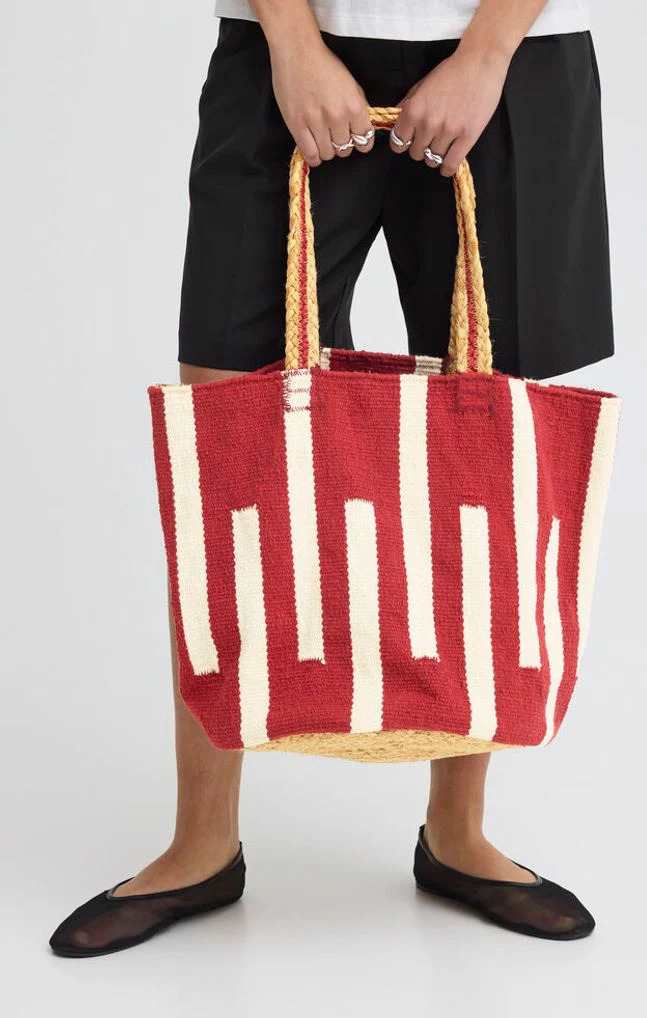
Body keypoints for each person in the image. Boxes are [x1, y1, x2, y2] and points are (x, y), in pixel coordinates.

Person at [49, 0, 613, 956]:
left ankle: (459, 830)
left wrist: (486, 53)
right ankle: (201, 842)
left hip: (514, 54)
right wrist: (292, 40)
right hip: (285, 50)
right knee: (227, 443)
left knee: (493, 438)